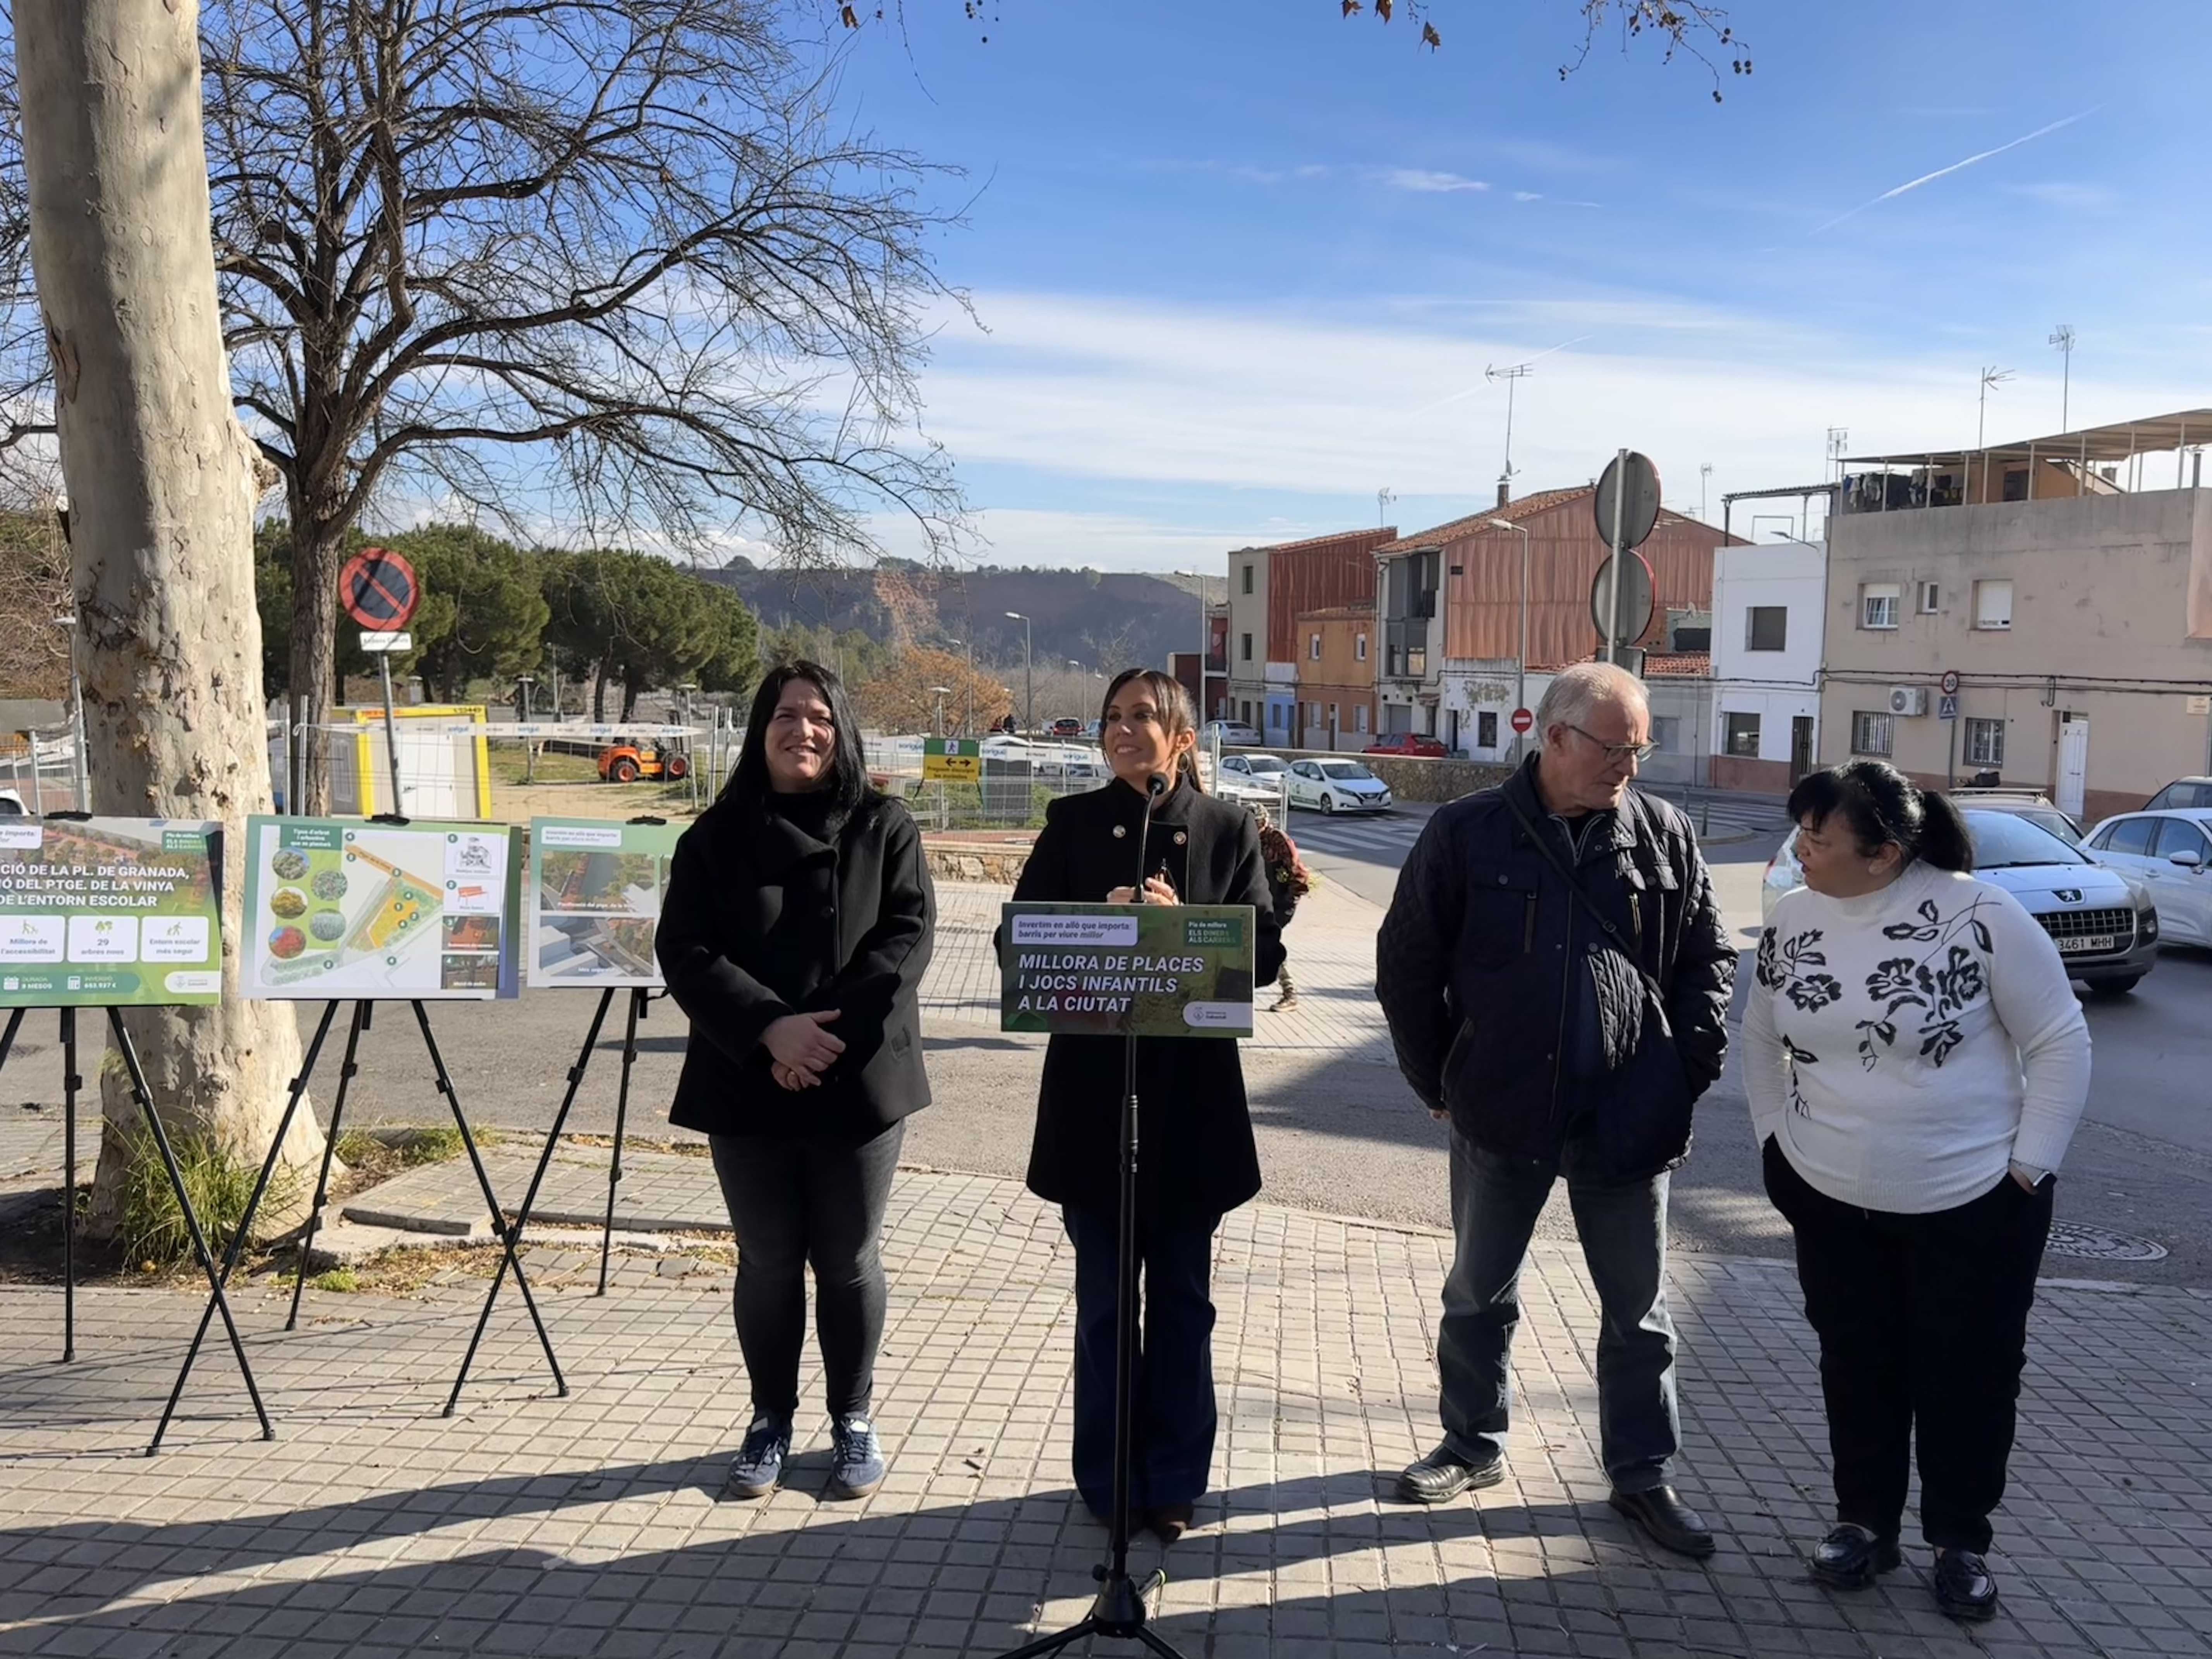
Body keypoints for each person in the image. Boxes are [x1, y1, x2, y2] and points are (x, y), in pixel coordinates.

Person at [1375, 661, 1734, 1556]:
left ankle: (1643, 1474)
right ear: (1554, 736)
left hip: (1627, 1118)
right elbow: (1407, 965)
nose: (1630, 766)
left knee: (1639, 1313)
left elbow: (1709, 962)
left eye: (1639, 747)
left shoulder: (1666, 836)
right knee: (1478, 1291)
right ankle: (1471, 1443)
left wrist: (1680, 1073)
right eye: (1615, 747)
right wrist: (1440, 1083)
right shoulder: (1468, 833)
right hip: (1501, 1110)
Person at [1746, 761, 2089, 1621]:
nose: (1800, 850)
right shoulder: (1793, 918)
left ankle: (1959, 1540)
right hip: (1830, 1194)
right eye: (1802, 831)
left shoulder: (1983, 917)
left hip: (1976, 1202)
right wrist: (1774, 1144)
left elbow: (2059, 1039)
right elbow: (1759, 1036)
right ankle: (1864, 1523)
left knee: (1965, 1374)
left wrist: (2029, 1165)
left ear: (1887, 853)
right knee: (1856, 1364)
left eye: (1819, 839)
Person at [1008, 667, 1282, 1544]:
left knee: (1183, 1304)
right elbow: (1021, 944)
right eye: (1113, 718)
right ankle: (1109, 1481)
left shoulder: (1229, 828)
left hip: (1191, 1111)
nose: (1125, 731)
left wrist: (1182, 921)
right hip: (1096, 1107)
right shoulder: (1073, 824)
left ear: (1184, 737)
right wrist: (1101, 918)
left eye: (1144, 717)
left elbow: (1264, 957)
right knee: (1101, 1308)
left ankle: (1172, 1480)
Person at [657, 661, 935, 1503]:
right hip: (748, 1077)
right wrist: (769, 1029)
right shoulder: (711, 836)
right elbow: (687, 952)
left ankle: (852, 1419)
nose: (802, 730)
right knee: (770, 1261)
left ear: (840, 729)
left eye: (819, 716)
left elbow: (907, 938)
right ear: (760, 730)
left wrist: (823, 1040)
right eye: (785, 715)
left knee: (847, 1261)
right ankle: (769, 1418)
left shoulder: (885, 826)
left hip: (859, 1080)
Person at [1253, 805, 1310, 1012]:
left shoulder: (1278, 840)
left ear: (1263, 823)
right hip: (1264, 901)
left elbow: (1296, 870)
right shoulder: (1253, 840)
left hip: (1280, 903)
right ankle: (1289, 992)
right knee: (1262, 941)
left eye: (1256, 824)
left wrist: (1291, 899)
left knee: (1267, 941)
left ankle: (1290, 993)